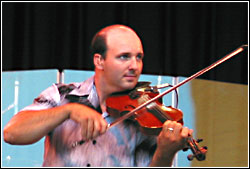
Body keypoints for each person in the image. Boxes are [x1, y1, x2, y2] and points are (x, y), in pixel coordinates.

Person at [4, 24, 193, 167]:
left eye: (139, 57)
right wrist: (68, 111)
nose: (135, 66)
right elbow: (12, 133)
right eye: (124, 57)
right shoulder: (62, 95)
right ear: (99, 60)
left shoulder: (146, 117)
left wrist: (165, 154)